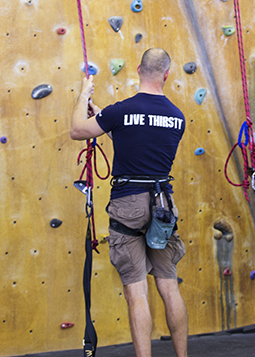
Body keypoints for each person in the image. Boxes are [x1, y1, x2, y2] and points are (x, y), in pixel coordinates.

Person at [70, 48, 188, 357]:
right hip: (162, 204)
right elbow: (140, 143)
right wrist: (106, 119)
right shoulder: (177, 117)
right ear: (166, 74)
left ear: (138, 69)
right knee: (168, 284)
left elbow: (77, 131)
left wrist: (84, 95)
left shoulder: (119, 111)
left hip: (128, 204)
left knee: (137, 292)